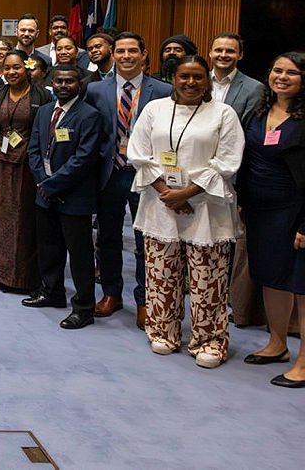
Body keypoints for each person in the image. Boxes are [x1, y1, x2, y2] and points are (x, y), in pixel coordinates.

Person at [130, 55, 242, 367]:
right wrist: (167, 193)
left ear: (208, 80)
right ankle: (162, 331)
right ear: (173, 78)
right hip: (160, 203)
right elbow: (138, 153)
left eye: (198, 77)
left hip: (207, 207)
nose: (191, 83)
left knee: (208, 278)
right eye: (184, 76)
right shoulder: (155, 109)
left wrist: (187, 193)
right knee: (161, 273)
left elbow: (228, 161)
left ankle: (210, 340)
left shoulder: (223, 113)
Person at [84, 31, 172, 326]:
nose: (125, 56)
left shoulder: (162, 91)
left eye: (132, 51)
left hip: (146, 176)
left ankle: (144, 300)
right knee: (107, 238)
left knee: (144, 239)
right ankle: (111, 293)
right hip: (110, 173)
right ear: (113, 53)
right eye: (120, 51)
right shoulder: (96, 89)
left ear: (144, 54)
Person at [237, 52, 305, 386]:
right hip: (260, 211)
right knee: (270, 276)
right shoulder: (260, 110)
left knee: (300, 284)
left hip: (295, 212)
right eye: (277, 70)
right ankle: (277, 344)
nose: (282, 77)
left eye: (291, 73)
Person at [25, 64, 105, 329]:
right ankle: (52, 291)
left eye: (69, 82)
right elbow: (34, 148)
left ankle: (83, 307)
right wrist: (41, 180)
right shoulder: (46, 111)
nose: (63, 86)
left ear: (79, 85)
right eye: (58, 81)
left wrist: (53, 184)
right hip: (44, 191)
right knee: (48, 246)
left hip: (74, 194)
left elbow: (85, 158)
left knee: (79, 254)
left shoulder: (89, 115)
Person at [0, 50, 52, 290]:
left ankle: (22, 278)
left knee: (25, 220)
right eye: (7, 68)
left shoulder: (41, 95)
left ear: (27, 68)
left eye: (17, 67)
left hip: (28, 168)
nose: (11, 72)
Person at [208, 32, 263, 125]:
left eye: (230, 51)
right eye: (218, 50)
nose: (223, 55)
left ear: (240, 55)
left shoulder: (254, 88)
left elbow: (248, 126)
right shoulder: (197, 82)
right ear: (210, 53)